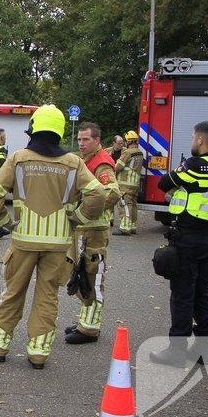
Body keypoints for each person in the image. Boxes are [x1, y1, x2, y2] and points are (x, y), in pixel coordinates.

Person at [0, 105, 105, 369]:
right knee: (47, 296)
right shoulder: (73, 162)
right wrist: (78, 219)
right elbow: (99, 195)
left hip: (23, 242)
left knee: (13, 292)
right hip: (59, 245)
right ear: (60, 130)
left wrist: (6, 223)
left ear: (34, 128)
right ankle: (38, 353)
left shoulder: (17, 158)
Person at [149, 121, 208, 367]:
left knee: (183, 295)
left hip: (188, 238)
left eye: (193, 138)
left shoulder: (197, 165)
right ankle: (202, 349)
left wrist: (178, 176)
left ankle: (176, 350)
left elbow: (164, 183)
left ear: (200, 140)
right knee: (202, 295)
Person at [64, 122, 121, 345]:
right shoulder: (87, 160)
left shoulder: (101, 164)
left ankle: (90, 329)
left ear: (97, 140)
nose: (81, 143)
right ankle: (85, 322)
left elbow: (112, 194)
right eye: (79, 139)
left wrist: (81, 215)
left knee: (93, 276)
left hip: (94, 230)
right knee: (83, 275)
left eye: (86, 139)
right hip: (86, 230)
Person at [115, 130, 143, 235]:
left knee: (125, 205)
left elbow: (117, 167)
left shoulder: (127, 153)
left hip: (125, 185)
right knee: (133, 205)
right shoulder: (139, 152)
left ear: (128, 141)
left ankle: (125, 228)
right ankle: (133, 226)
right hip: (135, 184)